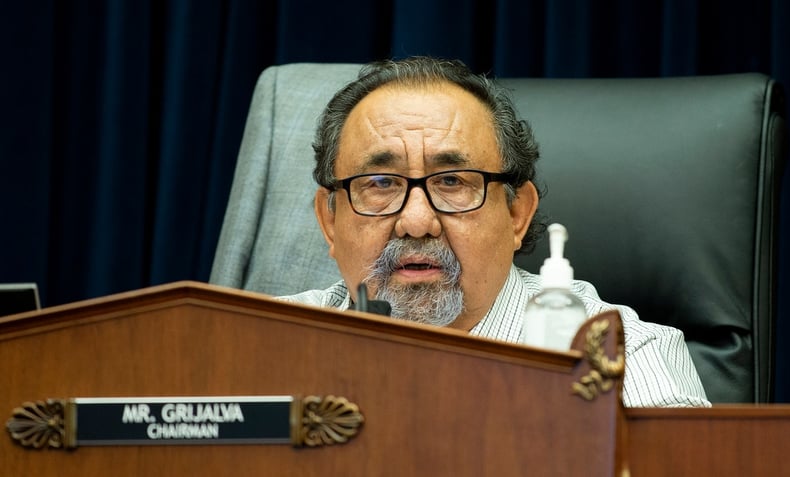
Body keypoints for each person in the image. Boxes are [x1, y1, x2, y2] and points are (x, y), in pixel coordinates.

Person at [279, 56, 710, 408]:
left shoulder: (621, 362)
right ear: (330, 221)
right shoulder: (262, 344)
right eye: (380, 184)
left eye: (451, 182)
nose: (415, 222)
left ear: (517, 214)